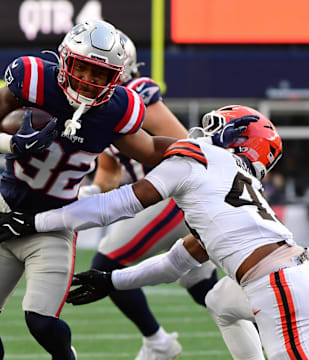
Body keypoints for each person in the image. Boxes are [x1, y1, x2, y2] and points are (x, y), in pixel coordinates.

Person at [0, 105, 309, 359]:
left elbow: (116, 205)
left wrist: (34, 222)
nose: (204, 134)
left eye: (218, 129)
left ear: (238, 140)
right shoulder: (226, 187)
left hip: (276, 280)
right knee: (219, 301)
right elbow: (176, 261)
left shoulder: (200, 159)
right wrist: (112, 281)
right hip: (292, 271)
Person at [0, 19, 213, 360]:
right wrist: (11, 143)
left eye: (100, 74)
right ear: (65, 60)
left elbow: (149, 150)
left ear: (116, 77)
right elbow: (111, 170)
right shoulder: (34, 79)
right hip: (6, 208)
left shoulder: (118, 110)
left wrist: (205, 153)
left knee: (42, 321)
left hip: (55, 222)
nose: (88, 81)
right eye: (82, 68)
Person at [76, 31, 219, 360]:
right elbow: (110, 170)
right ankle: (278, 334)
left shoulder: (137, 95)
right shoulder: (103, 110)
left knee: (107, 264)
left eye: (95, 69)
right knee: (205, 291)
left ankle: (158, 342)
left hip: (175, 194)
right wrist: (93, 190)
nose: (87, 78)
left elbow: (185, 146)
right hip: (163, 197)